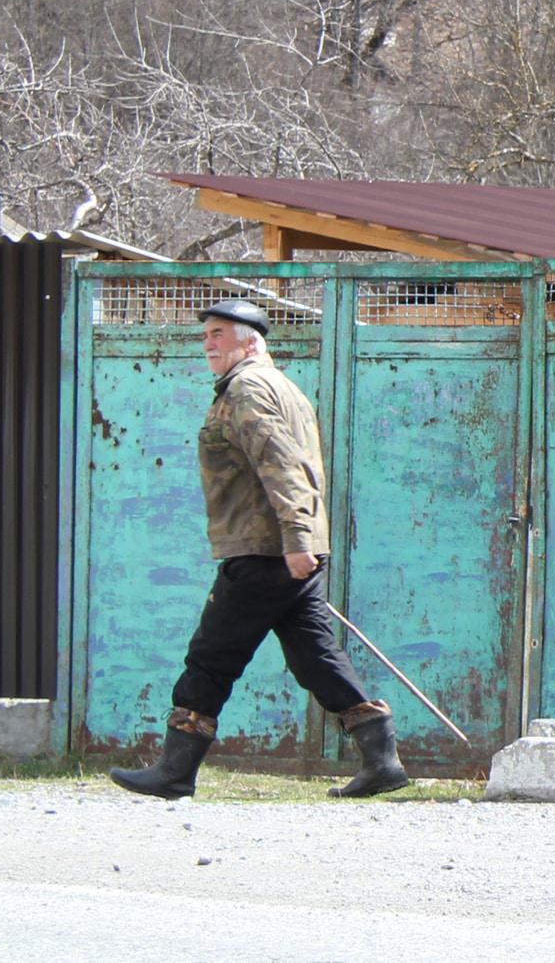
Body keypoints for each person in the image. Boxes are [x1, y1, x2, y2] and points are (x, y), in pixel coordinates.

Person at [110, 299, 410, 800]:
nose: (208, 342)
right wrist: (302, 540)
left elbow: (283, 466)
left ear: (251, 342)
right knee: (314, 656)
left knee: (212, 656)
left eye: (220, 333)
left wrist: (295, 539)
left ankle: (175, 771)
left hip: (266, 550)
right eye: (206, 334)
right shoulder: (279, 385)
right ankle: (381, 760)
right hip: (287, 549)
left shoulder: (248, 389)